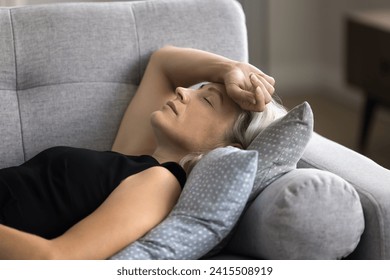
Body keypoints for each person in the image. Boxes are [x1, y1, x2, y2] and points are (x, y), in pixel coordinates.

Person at [0, 46, 286, 259]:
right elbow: (163, 63)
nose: (183, 91)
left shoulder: (159, 184)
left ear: (228, 149)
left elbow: (59, 260)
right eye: (198, 89)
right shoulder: (138, 161)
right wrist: (230, 68)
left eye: (207, 100)